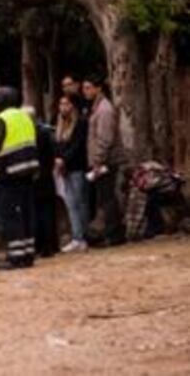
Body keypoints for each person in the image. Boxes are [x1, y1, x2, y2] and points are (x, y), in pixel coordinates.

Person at [0, 87, 41, 270]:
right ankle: (28, 254)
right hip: (28, 172)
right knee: (26, 214)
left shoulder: (1, 119)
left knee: (11, 215)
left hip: (8, 173)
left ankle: (16, 256)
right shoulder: (24, 117)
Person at [83, 75, 128, 247]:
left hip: (107, 161)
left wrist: (97, 161)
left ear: (98, 88)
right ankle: (112, 232)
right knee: (105, 197)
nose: (85, 91)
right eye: (84, 88)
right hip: (102, 160)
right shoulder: (97, 108)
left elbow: (105, 138)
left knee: (107, 198)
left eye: (88, 87)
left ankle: (115, 233)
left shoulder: (104, 109)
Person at [55, 93, 90, 253]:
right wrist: (58, 159)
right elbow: (59, 144)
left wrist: (64, 159)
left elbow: (78, 146)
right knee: (70, 203)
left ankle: (82, 237)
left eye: (66, 104)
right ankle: (76, 236)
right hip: (65, 168)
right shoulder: (61, 124)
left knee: (80, 202)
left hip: (77, 166)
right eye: (61, 104)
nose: (63, 107)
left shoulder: (81, 123)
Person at [25, 107, 60, 258]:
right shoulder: (44, 132)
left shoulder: (27, 135)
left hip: (33, 176)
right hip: (45, 175)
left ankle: (41, 245)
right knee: (46, 211)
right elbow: (52, 155)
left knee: (37, 212)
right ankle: (50, 244)